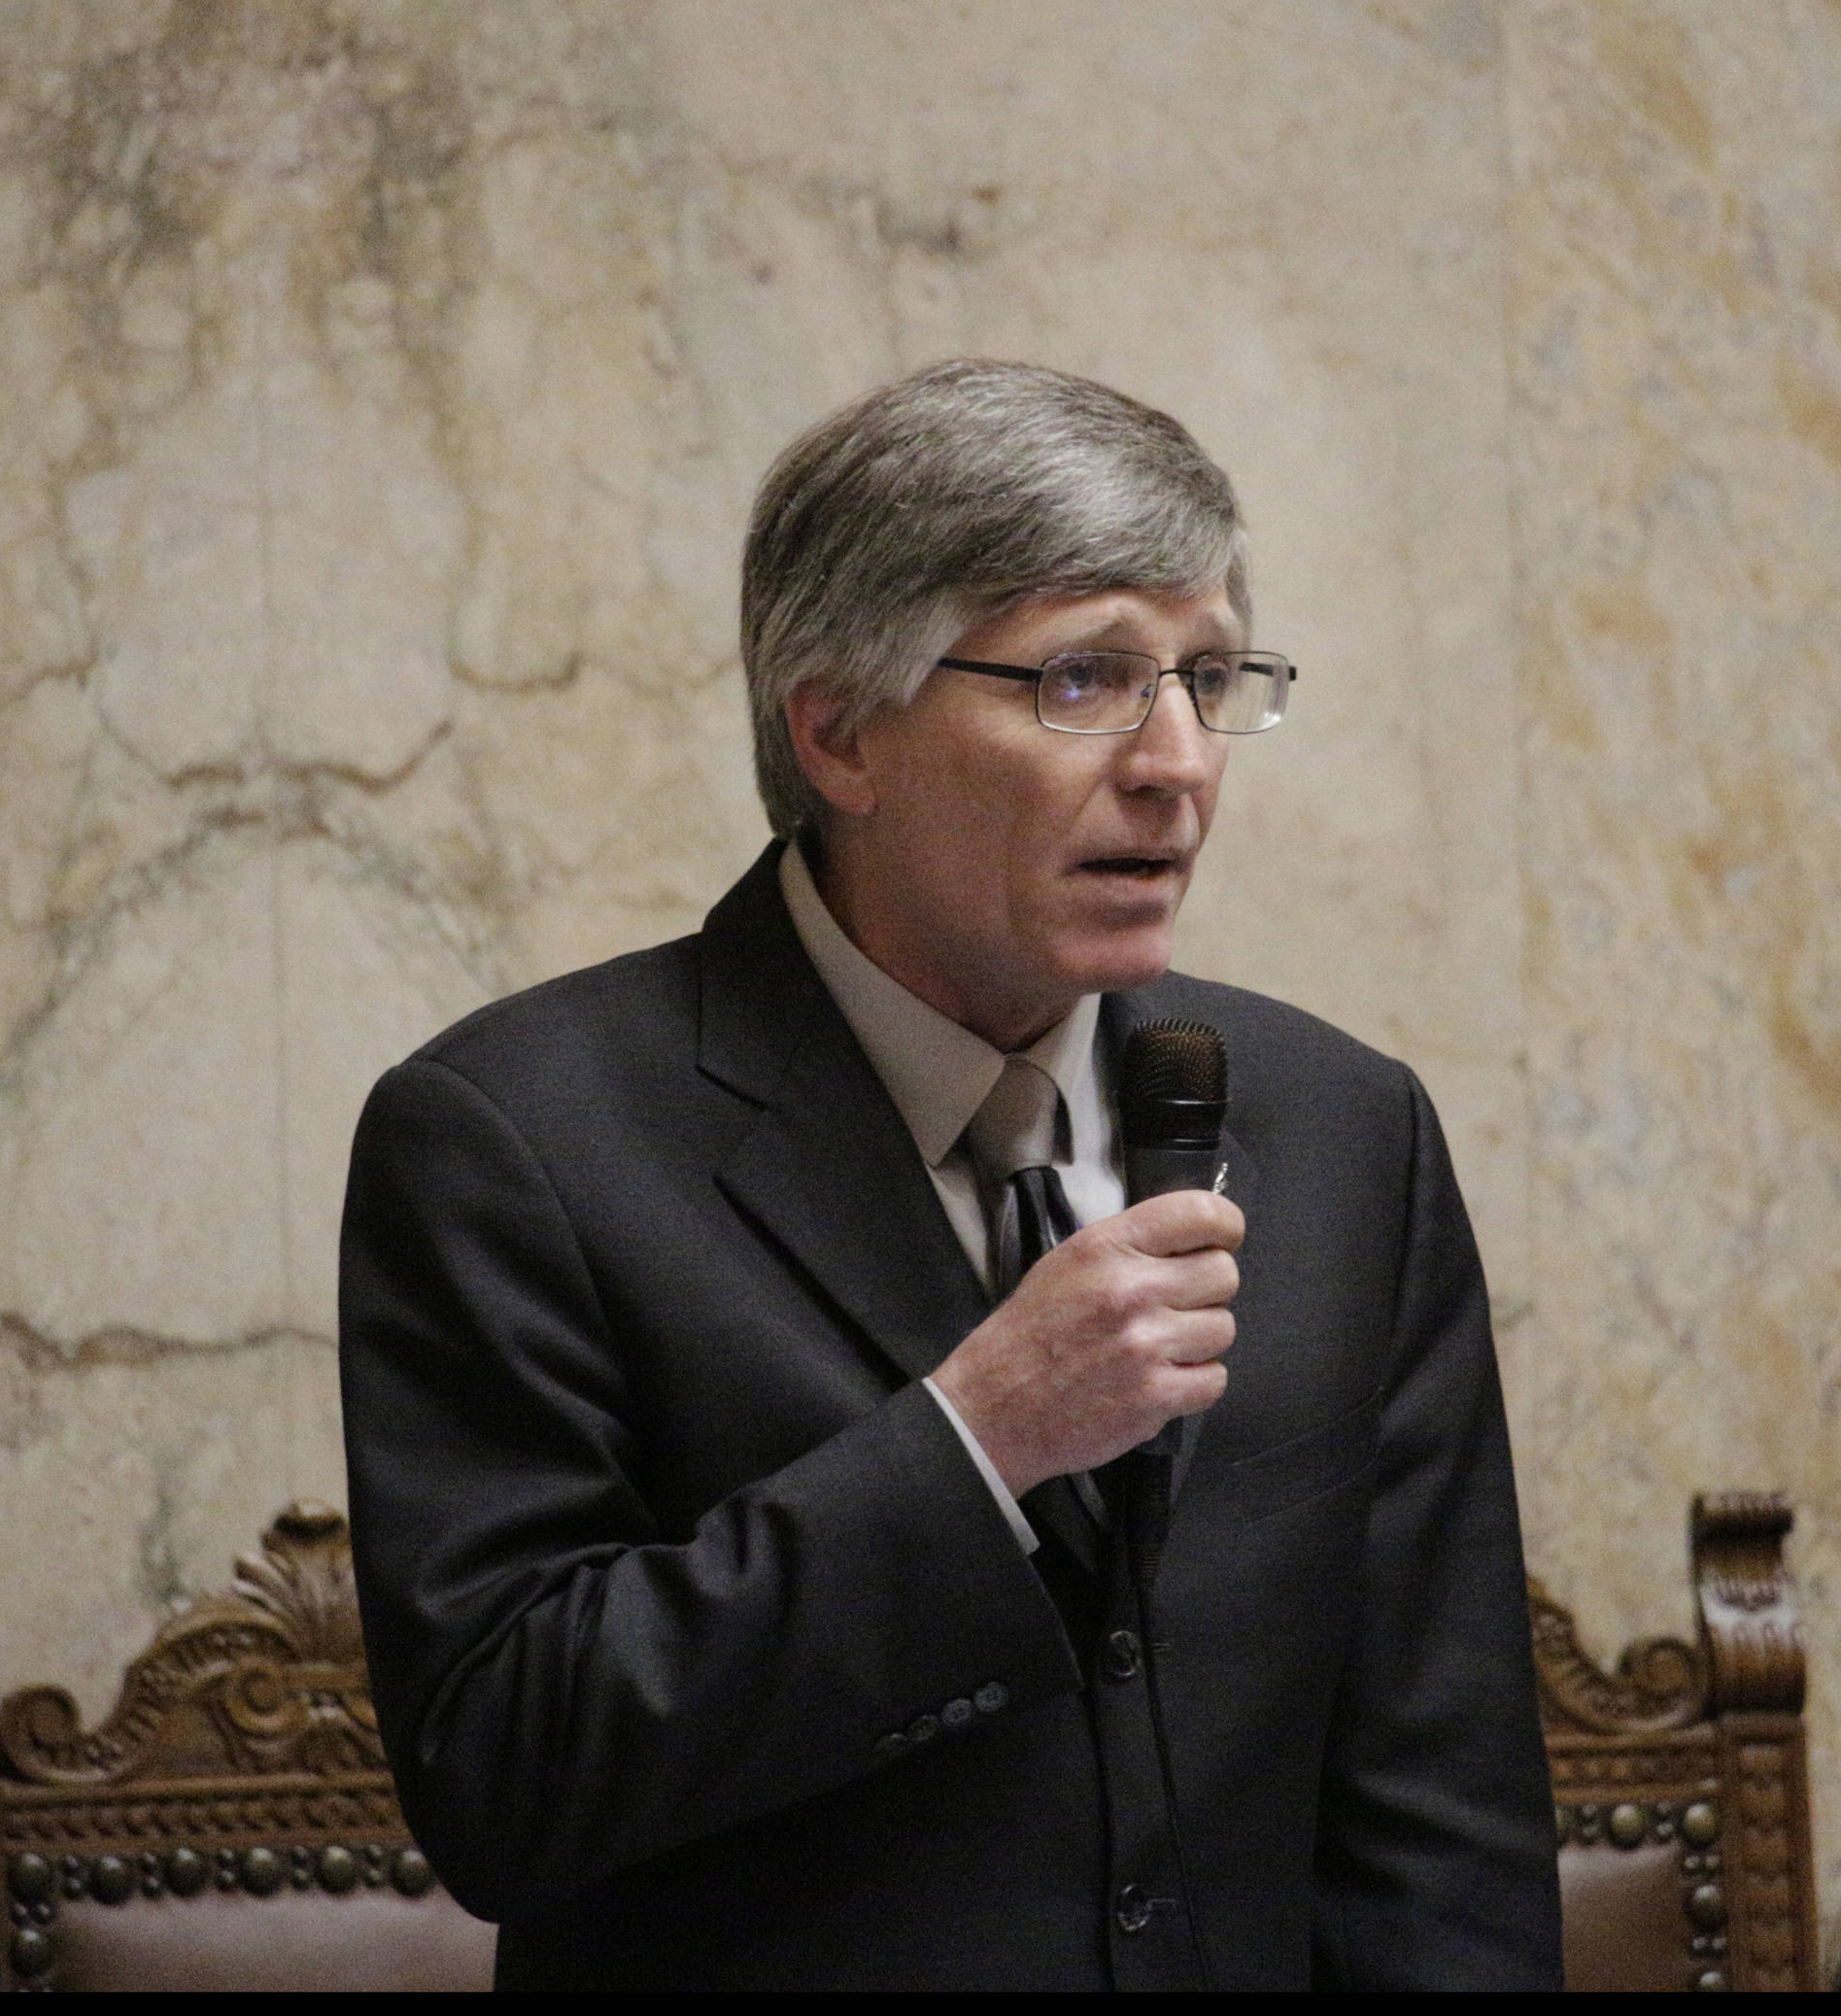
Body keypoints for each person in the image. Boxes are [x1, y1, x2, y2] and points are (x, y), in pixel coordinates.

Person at [338, 359, 1564, 1991]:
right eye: (1084, 681)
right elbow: (504, 1776)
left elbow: (1441, 1823)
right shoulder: (514, 1141)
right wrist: (977, 1443)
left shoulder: (1346, 1129)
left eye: (1209, 676)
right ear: (839, 732)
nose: (1178, 762)